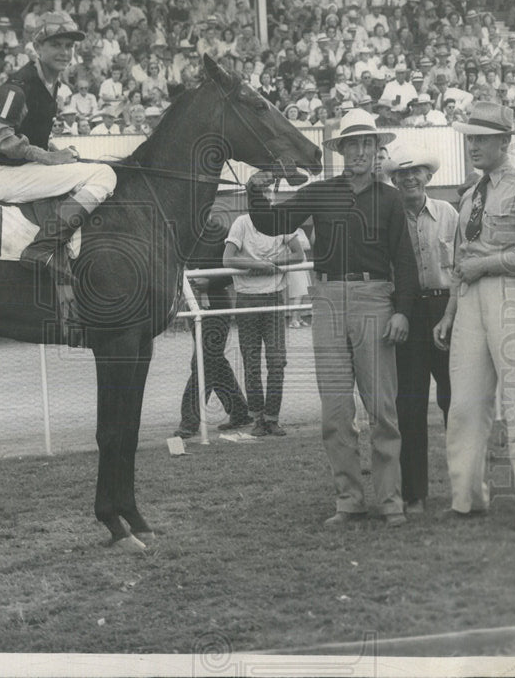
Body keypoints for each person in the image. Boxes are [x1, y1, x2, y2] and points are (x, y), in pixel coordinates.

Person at [246, 108, 417, 527]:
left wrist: (404, 313)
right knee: (336, 411)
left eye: (366, 143)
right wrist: (254, 191)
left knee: (382, 408)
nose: (359, 151)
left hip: (375, 300)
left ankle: (390, 499)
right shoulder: (321, 192)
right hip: (325, 299)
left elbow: (406, 263)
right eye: (351, 144)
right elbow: (272, 221)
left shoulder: (391, 199)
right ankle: (348, 501)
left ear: (377, 149)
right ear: (340, 150)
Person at [432, 102, 515, 530]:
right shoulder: (470, 196)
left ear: (506, 142)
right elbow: (461, 260)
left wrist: (487, 264)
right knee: (464, 403)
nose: (473, 146)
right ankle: (466, 500)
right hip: (470, 300)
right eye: (470, 138)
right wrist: (450, 312)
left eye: (482, 138)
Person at [0, 12, 116, 286]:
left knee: (91, 169)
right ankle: (42, 248)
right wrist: (48, 156)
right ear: (37, 47)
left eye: (69, 46)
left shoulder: (52, 84)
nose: (65, 52)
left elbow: (32, 136)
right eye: (56, 45)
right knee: (104, 175)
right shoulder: (17, 86)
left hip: (29, 170)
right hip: (10, 176)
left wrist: (56, 150)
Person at [381, 144, 457, 515]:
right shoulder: (389, 217)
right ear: (394, 180)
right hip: (406, 311)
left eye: (417, 172)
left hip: (446, 308)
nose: (410, 178)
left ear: (429, 176)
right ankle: (415, 495)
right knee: (409, 405)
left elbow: (462, 267)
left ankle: (466, 488)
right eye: (402, 174)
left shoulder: (448, 214)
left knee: (454, 401)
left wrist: (454, 314)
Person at [223, 213, 302, 437]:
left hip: (275, 297)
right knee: (251, 361)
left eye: (268, 192)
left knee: (277, 361)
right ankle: (257, 418)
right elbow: (227, 259)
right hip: (247, 299)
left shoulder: (281, 220)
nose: (264, 199)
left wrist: (271, 264)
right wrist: (255, 264)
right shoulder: (241, 223)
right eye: (257, 193)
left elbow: (298, 255)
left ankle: (272, 418)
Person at [174, 217, 252, 438]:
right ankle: (239, 411)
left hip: (216, 304)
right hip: (194, 304)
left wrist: (210, 282)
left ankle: (189, 422)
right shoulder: (181, 231)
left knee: (202, 361)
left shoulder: (221, 233)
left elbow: (233, 268)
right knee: (214, 360)